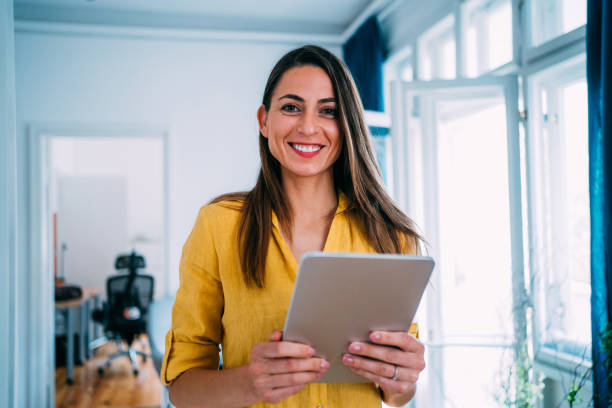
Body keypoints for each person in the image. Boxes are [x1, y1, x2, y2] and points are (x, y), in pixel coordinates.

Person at [161, 45, 426, 408]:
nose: (308, 126)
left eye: (328, 111)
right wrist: (250, 384)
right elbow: (181, 388)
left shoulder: (392, 236)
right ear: (264, 120)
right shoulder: (218, 225)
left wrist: (401, 379)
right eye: (291, 107)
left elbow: (397, 395)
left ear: (347, 124)